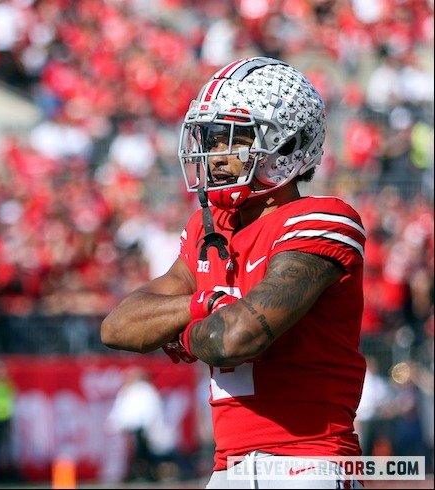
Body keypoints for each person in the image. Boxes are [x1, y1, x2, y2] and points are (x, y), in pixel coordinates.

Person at [101, 57, 367, 489]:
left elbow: (235, 338)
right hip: (229, 468)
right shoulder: (209, 229)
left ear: (285, 146)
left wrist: (182, 330)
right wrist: (205, 304)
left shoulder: (322, 220)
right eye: (209, 136)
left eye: (233, 138)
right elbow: (119, 326)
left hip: (310, 463)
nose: (214, 155)